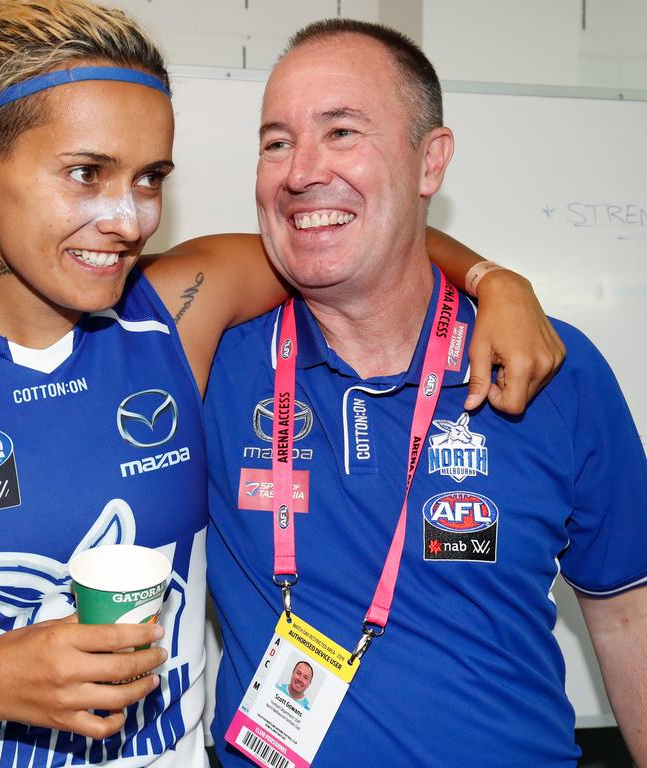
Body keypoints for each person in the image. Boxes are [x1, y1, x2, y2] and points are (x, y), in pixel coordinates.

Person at [0, 8, 568, 768]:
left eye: (150, 179)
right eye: (86, 173)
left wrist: (497, 281)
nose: (129, 217)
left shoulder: (177, 315)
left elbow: (353, 228)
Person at [201, 19, 647, 766]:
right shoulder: (209, 363)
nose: (301, 171)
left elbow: (629, 618)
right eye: (276, 142)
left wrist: (492, 282)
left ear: (429, 161)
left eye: (342, 132)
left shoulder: (551, 368)